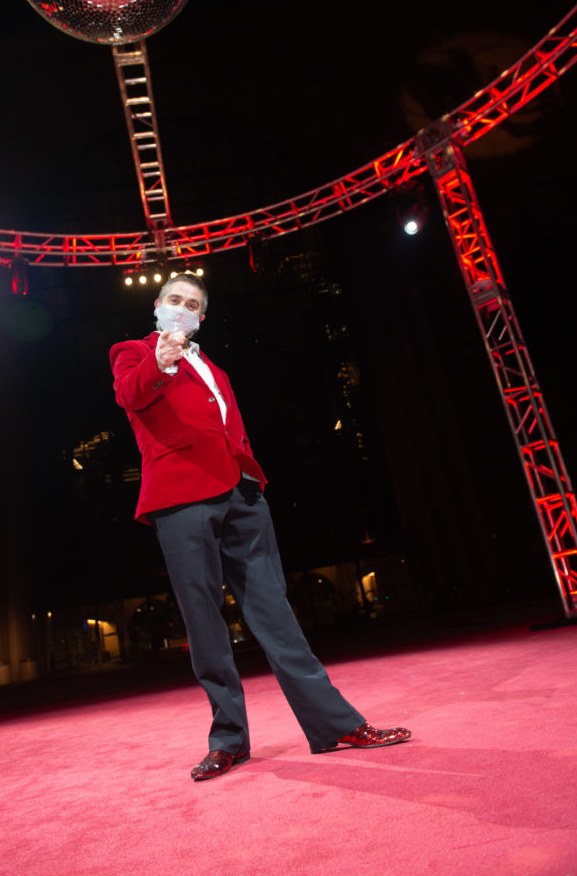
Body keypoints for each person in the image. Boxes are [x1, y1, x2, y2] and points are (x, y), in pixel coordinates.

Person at [109, 274, 411, 780]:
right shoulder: (135, 353)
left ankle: (334, 725)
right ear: (157, 306)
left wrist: (251, 480)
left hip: (242, 494)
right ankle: (229, 740)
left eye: (193, 304)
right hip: (181, 498)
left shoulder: (215, 369)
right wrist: (163, 359)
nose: (183, 308)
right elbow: (129, 396)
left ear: (203, 316)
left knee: (276, 613)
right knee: (204, 621)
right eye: (175, 300)